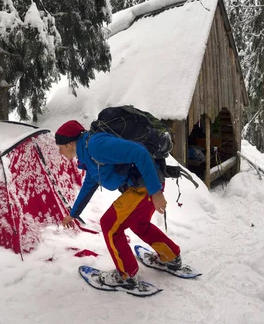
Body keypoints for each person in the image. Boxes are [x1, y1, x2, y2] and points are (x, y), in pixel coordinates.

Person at [55, 119, 182, 289]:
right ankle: (171, 257)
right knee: (139, 223)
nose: (59, 152)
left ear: (70, 143)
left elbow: (139, 152)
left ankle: (126, 275)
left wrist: (156, 192)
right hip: (143, 186)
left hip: (146, 187)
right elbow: (89, 184)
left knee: (110, 225)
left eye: (60, 147)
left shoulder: (95, 146)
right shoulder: (88, 153)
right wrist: (73, 214)